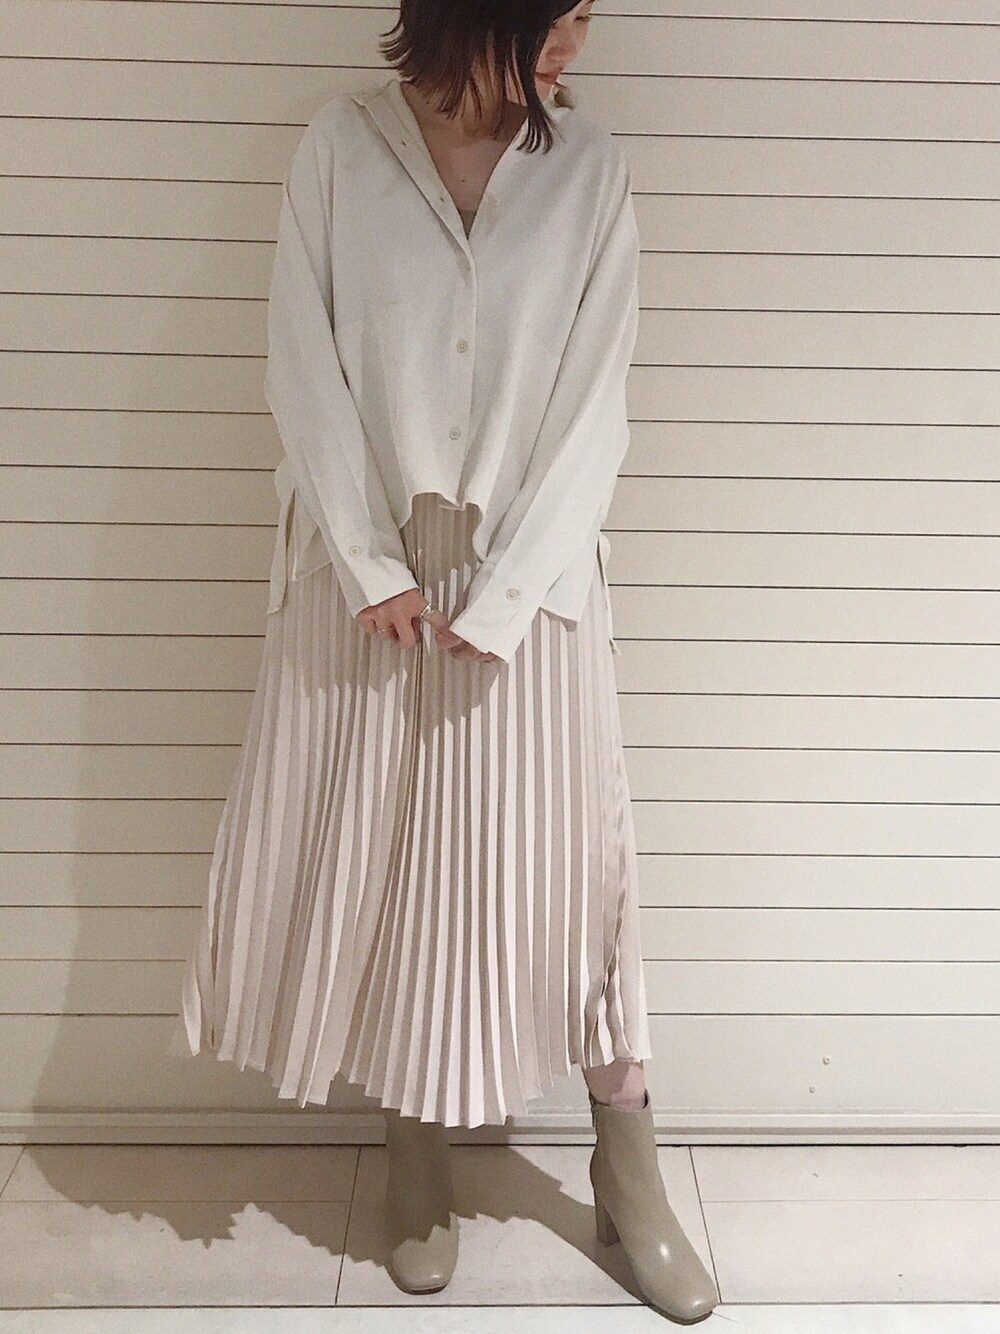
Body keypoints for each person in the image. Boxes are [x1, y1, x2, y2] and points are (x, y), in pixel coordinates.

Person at [170, 0, 718, 1323]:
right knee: (398, 864)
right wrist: (370, 565)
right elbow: (301, 365)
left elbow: (596, 405)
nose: (575, 46)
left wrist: (513, 589)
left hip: (537, 582)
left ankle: (629, 1163)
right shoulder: (340, 151)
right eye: (557, 17)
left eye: (585, 16)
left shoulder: (589, 173)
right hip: (367, 584)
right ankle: (416, 1139)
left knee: (578, 873)